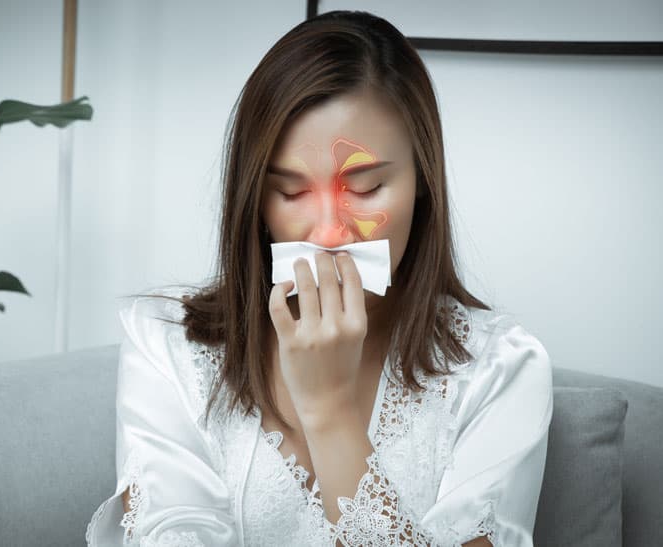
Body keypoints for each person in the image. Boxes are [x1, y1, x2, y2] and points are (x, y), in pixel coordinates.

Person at [86, 9, 553, 547]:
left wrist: (330, 410)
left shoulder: (501, 369)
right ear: (256, 200)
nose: (329, 233)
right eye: (291, 192)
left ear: (422, 179)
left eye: (366, 188)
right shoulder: (169, 346)